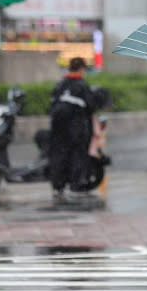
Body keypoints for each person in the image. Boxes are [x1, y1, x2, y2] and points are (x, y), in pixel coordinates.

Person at [49, 57, 96, 201]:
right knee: (77, 155)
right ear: (81, 69)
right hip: (76, 127)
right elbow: (91, 106)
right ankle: (75, 186)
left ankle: (58, 187)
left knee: (59, 154)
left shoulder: (60, 84)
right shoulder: (81, 85)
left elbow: (51, 104)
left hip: (58, 127)